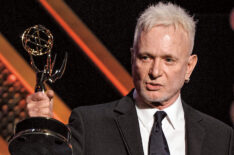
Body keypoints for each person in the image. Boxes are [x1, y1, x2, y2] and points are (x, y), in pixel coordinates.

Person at [26, 2, 234, 155]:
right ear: (133, 57)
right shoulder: (89, 125)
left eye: (168, 60)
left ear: (189, 66)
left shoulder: (221, 137)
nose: (155, 71)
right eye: (146, 57)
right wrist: (42, 132)